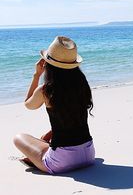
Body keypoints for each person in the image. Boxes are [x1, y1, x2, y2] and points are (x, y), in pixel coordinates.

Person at [13, 36, 95, 174]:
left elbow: (28, 104)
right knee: (47, 137)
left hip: (61, 162)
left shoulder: (47, 90)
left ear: (47, 64)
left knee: (19, 138)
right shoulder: (82, 86)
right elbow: (72, 118)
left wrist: (36, 75)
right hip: (88, 154)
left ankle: (41, 157)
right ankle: (46, 147)